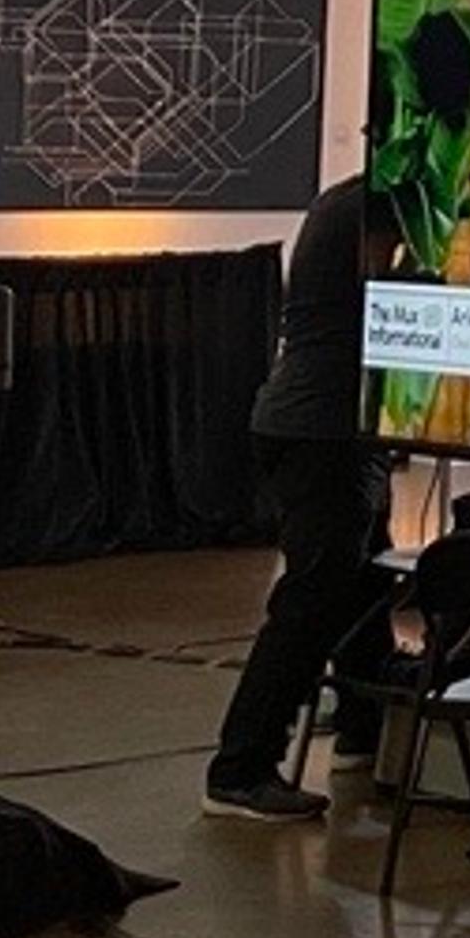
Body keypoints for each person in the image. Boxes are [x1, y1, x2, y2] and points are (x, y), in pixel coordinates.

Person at [200, 175, 394, 822]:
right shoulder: (376, 206)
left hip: (316, 423)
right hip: (325, 429)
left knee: (364, 581)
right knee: (313, 600)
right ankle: (240, 769)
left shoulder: (340, 199)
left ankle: (365, 730)